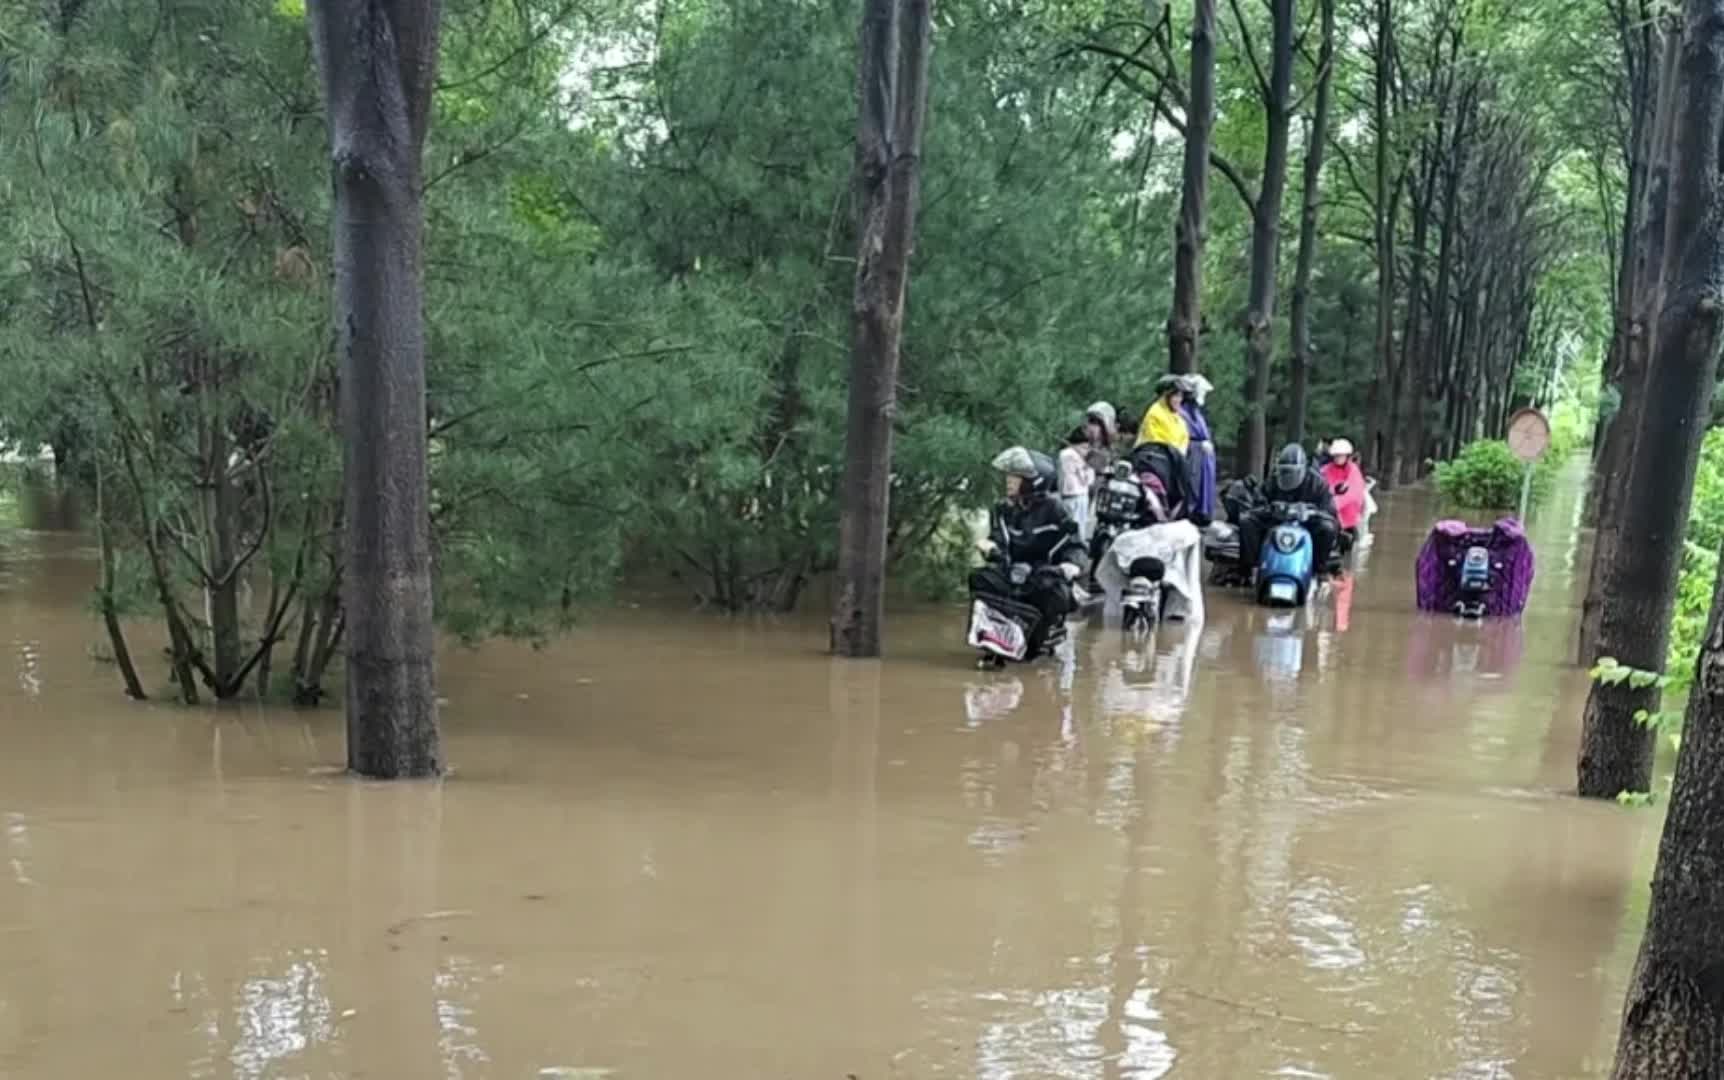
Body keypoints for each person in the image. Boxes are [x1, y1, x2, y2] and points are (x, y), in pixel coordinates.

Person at [972, 446, 1085, 656]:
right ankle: (993, 633)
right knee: (981, 579)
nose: (1008, 481)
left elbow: (1075, 544)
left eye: (1015, 477)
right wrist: (991, 547)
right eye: (1008, 476)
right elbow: (998, 537)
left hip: (1044, 574)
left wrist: (1070, 565)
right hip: (1012, 571)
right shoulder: (1003, 509)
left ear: (1033, 481)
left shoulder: (1055, 508)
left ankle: (1042, 636)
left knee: (1054, 593)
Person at [1238, 443, 1340, 576]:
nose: (1286, 475)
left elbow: (1330, 513)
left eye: (1291, 472)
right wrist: (1271, 508)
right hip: (1277, 520)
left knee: (1327, 528)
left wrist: (1311, 511)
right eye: (1284, 471)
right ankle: (1250, 568)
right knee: (1247, 520)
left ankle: (1319, 570)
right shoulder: (1273, 480)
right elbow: (1259, 504)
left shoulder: (1318, 484)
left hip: (1307, 523)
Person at [1178, 374, 1217, 519]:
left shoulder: (1196, 413)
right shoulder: (1183, 413)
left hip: (1203, 460)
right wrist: (1199, 445)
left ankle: (1201, 512)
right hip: (1193, 458)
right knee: (1192, 488)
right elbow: (1184, 437)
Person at [1320, 437, 1368, 537]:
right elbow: (1319, 484)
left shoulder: (1353, 470)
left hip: (1347, 513)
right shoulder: (1326, 469)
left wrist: (1335, 503)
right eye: (1336, 455)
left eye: (1341, 455)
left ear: (1347, 456)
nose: (1338, 458)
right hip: (1326, 510)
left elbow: (1353, 492)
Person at [1058, 426, 1096, 541]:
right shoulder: (1068, 454)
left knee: (1079, 528)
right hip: (1073, 496)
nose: (1086, 451)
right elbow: (1086, 479)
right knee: (1075, 529)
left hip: (1079, 496)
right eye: (1084, 447)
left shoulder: (1072, 455)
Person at [1135, 375, 1190, 452]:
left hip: (1175, 459)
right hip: (1154, 459)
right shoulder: (1155, 413)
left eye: (1181, 396)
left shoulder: (1178, 418)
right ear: (1165, 396)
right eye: (1176, 396)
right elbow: (1156, 442)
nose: (1179, 400)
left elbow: (1184, 440)